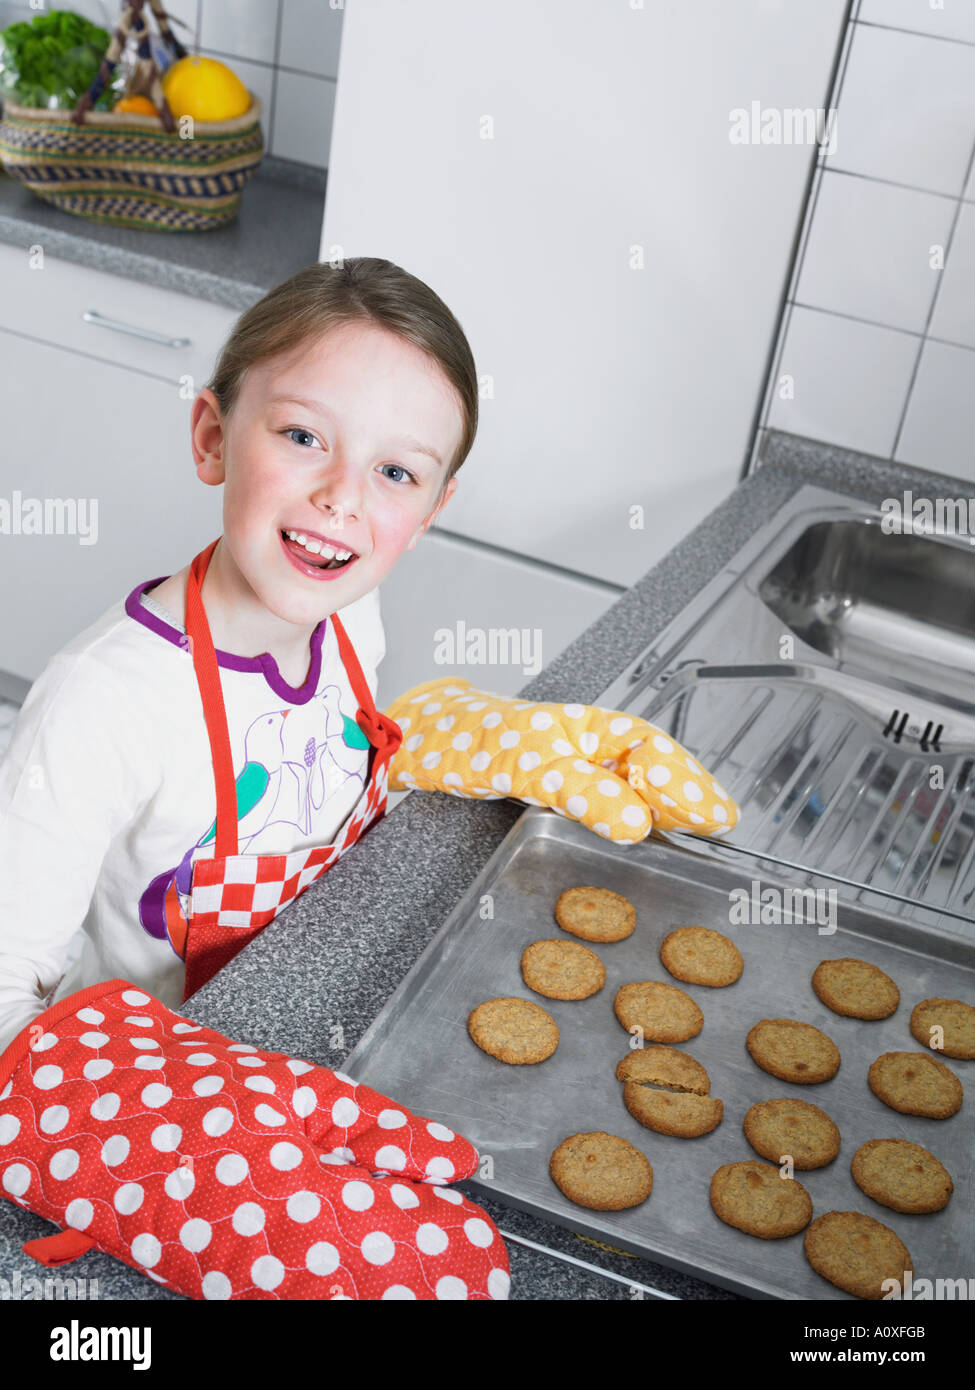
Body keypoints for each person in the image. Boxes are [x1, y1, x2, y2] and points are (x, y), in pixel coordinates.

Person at [0, 258, 739, 1301]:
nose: (343, 497)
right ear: (214, 435)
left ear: (436, 504)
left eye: (398, 472)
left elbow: (333, 781)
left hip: (329, 1031)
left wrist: (425, 747)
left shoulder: (351, 619)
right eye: (303, 436)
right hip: (163, 1100)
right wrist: (158, 1142)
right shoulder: (103, 703)